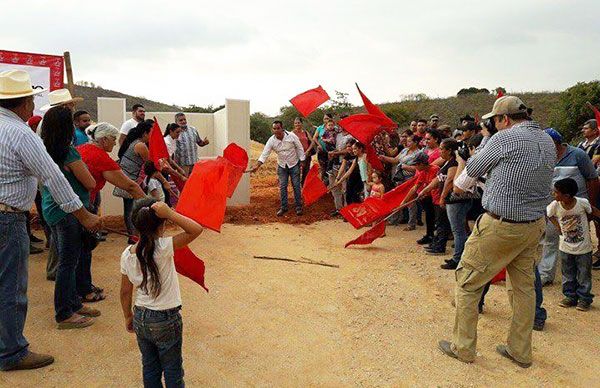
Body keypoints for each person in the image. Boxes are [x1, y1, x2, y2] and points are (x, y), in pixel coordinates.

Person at [438, 96, 555, 369]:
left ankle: (463, 347)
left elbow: (463, 181)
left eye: (495, 120)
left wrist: (464, 161)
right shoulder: (547, 140)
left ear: (504, 119)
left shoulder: (504, 139)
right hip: (533, 224)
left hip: (502, 224)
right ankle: (520, 351)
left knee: (468, 282)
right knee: (524, 289)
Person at [0, 69, 100, 371]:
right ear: (24, 102)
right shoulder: (21, 133)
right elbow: (53, 177)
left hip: (13, 212)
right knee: (12, 288)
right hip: (9, 217)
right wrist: (84, 215)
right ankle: (11, 352)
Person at [120, 199, 203, 387]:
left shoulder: (127, 254)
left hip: (141, 317)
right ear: (163, 224)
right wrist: (171, 213)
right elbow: (195, 230)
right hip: (166, 319)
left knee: (149, 367)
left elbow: (125, 291)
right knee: (173, 370)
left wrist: (128, 316)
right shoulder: (163, 247)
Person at [40, 105, 102, 329]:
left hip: (52, 210)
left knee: (68, 259)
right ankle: (64, 313)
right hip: (70, 212)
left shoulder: (44, 150)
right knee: (68, 262)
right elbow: (90, 182)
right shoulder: (69, 152)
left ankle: (73, 303)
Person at [77, 122, 146, 301]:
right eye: (113, 140)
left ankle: (83, 285)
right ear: (104, 139)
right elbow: (130, 185)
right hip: (83, 205)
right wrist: (149, 205)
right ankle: (83, 290)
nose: (115, 143)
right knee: (83, 248)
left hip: (75, 203)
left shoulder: (82, 148)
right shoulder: (100, 156)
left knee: (79, 249)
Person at [538, 128, 598, 286]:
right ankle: (545, 274)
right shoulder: (544, 157)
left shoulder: (577, 155)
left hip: (576, 208)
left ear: (555, 143)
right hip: (556, 207)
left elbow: (592, 179)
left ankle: (581, 281)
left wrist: (590, 205)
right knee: (551, 238)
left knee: (577, 243)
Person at [116, 120, 170, 242]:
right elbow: (151, 167)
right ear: (145, 133)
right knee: (134, 209)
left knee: (130, 209)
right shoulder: (140, 146)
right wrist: (164, 181)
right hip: (131, 181)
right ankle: (136, 238)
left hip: (128, 179)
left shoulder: (136, 143)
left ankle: (133, 237)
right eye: (152, 132)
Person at [548, 178, 596, 312]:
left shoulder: (582, 203)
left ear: (566, 195)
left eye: (556, 192)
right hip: (565, 247)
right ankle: (570, 296)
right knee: (567, 273)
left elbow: (591, 212)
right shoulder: (555, 205)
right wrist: (558, 227)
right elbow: (549, 215)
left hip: (583, 248)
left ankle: (584, 298)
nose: (554, 194)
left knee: (583, 274)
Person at [251, 120, 305, 216]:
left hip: (294, 164)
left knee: (296, 185)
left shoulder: (292, 136)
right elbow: (265, 153)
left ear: (282, 128)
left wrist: (302, 160)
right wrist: (258, 165)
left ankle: (298, 207)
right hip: (282, 166)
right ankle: (284, 207)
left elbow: (299, 148)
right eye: (274, 129)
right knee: (282, 186)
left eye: (278, 128)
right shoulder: (271, 140)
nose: (276, 130)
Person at [420, 138, 459, 256]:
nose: (440, 151)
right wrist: (425, 190)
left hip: (449, 198)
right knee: (441, 221)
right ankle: (438, 244)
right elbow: (438, 179)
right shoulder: (446, 162)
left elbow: (449, 181)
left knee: (444, 223)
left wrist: (442, 197)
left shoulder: (454, 163)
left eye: (442, 149)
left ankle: (441, 247)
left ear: (449, 150)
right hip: (443, 197)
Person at [380, 134, 421, 230]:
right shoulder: (405, 150)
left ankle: (411, 223)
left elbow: (420, 168)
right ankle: (395, 219)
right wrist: (384, 158)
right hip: (400, 178)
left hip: (411, 179)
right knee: (397, 198)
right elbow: (395, 160)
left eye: (410, 141)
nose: (407, 143)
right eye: (407, 141)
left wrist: (406, 167)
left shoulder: (419, 153)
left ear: (415, 142)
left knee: (410, 201)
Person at [400, 151, 440, 244]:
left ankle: (438, 239)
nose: (415, 167)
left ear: (422, 163)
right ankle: (429, 235)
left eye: (416, 164)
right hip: (428, 197)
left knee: (438, 218)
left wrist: (425, 192)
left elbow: (436, 185)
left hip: (436, 198)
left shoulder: (435, 169)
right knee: (429, 216)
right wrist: (404, 202)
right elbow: (415, 187)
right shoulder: (422, 172)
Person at [334, 139, 364, 205]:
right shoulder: (348, 155)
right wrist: (338, 178)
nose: (348, 148)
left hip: (360, 178)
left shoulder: (359, 156)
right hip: (351, 177)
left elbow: (350, 170)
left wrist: (340, 180)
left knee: (356, 196)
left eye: (349, 146)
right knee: (348, 195)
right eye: (347, 146)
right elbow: (343, 166)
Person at [292, 117, 313, 184]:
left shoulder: (306, 132)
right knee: (296, 171)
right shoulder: (292, 133)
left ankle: (303, 186)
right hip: (296, 155)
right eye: (295, 123)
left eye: (298, 123)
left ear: (301, 123)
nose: (297, 124)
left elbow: (312, 142)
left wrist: (308, 150)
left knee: (306, 171)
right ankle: (296, 187)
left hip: (306, 154)